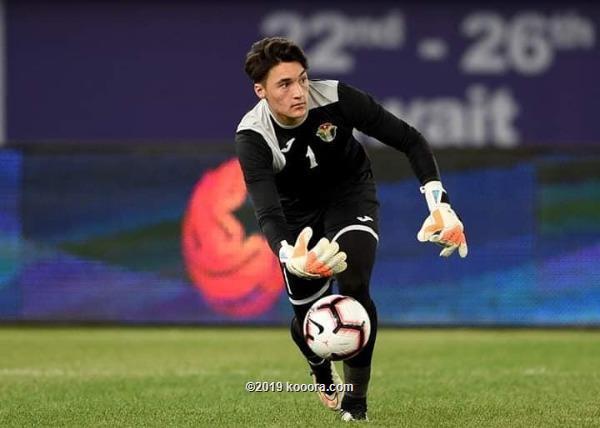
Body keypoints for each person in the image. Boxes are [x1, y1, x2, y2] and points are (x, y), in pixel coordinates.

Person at [235, 37, 468, 422]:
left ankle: (356, 404)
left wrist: (439, 204)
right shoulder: (253, 136)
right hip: (295, 218)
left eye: (302, 79)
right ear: (260, 91)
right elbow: (268, 212)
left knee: (355, 283)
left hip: (349, 195)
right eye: (284, 84)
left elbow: (410, 140)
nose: (299, 92)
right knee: (305, 320)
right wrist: (289, 255)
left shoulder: (337, 97)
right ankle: (319, 367)